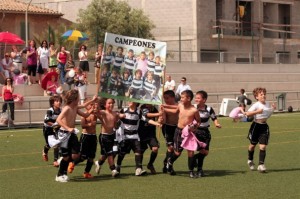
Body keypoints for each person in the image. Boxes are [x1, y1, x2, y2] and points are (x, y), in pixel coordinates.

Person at [55, 90, 97, 182]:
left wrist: (92, 102)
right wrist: (68, 128)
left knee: (75, 155)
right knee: (66, 157)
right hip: (64, 134)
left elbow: (85, 113)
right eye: (78, 97)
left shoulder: (75, 107)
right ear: (74, 99)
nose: (79, 99)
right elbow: (58, 120)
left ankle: (62, 162)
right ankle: (60, 174)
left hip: (72, 133)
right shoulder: (67, 108)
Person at [116, 102, 161, 176]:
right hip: (125, 136)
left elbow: (146, 119)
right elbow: (116, 116)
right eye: (129, 101)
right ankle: (118, 166)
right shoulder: (123, 110)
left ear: (135, 103)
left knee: (138, 152)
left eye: (131, 101)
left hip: (135, 136)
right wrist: (118, 116)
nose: (129, 102)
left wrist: (157, 123)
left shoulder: (138, 112)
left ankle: (138, 169)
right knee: (122, 153)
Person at [162, 90, 201, 176]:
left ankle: (191, 171)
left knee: (190, 152)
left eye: (183, 97)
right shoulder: (180, 105)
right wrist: (164, 108)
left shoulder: (194, 110)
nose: (181, 99)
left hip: (188, 133)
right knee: (177, 153)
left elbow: (198, 121)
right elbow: (175, 111)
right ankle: (170, 161)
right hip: (179, 131)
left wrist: (194, 127)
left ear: (189, 98)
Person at [245, 87, 276, 173]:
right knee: (252, 145)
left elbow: (268, 115)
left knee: (263, 146)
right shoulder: (256, 105)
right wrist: (257, 112)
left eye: (264, 94)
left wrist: (272, 109)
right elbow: (248, 114)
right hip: (256, 126)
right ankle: (250, 159)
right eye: (261, 94)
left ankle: (261, 165)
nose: (263, 95)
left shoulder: (268, 104)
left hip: (264, 126)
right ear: (257, 97)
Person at [192, 90, 221, 178]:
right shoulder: (193, 107)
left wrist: (216, 124)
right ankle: (199, 170)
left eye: (198, 98)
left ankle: (193, 159)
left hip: (205, 132)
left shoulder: (209, 109)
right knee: (201, 151)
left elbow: (214, 118)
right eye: (196, 97)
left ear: (204, 100)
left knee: (205, 152)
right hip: (195, 132)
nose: (196, 99)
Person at [94, 98, 125, 177]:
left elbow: (120, 116)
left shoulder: (114, 113)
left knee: (106, 154)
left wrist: (122, 116)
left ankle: (99, 162)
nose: (111, 105)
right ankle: (113, 170)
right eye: (109, 103)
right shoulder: (104, 112)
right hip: (104, 136)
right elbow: (97, 111)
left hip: (112, 135)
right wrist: (96, 104)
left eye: (112, 103)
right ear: (105, 105)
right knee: (110, 153)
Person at [71, 98, 98, 179]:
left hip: (93, 136)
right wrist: (90, 124)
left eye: (92, 104)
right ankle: (73, 163)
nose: (92, 106)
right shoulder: (84, 115)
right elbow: (83, 125)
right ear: (86, 106)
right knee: (83, 156)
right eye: (90, 104)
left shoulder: (95, 114)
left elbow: (99, 111)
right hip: (85, 136)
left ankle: (86, 172)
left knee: (91, 157)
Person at [138, 104, 162, 174]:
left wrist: (160, 119)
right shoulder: (143, 107)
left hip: (151, 133)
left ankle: (150, 164)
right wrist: (158, 114)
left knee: (155, 148)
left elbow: (158, 118)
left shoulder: (154, 108)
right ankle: (139, 167)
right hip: (142, 133)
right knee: (141, 151)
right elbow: (146, 115)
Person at [42, 95, 62, 167]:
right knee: (50, 144)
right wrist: (54, 124)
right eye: (57, 101)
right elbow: (47, 121)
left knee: (57, 144)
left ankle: (55, 161)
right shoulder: (50, 110)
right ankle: (45, 151)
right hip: (48, 129)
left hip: (56, 128)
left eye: (60, 101)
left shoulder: (61, 110)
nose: (59, 102)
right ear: (53, 103)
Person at [161, 90, 178, 173]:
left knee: (176, 149)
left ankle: (166, 162)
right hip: (167, 127)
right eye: (164, 98)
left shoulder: (178, 105)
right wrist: (161, 119)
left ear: (173, 97)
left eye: (167, 98)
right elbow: (163, 119)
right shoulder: (164, 107)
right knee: (170, 147)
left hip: (178, 128)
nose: (165, 100)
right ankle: (169, 166)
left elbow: (176, 111)